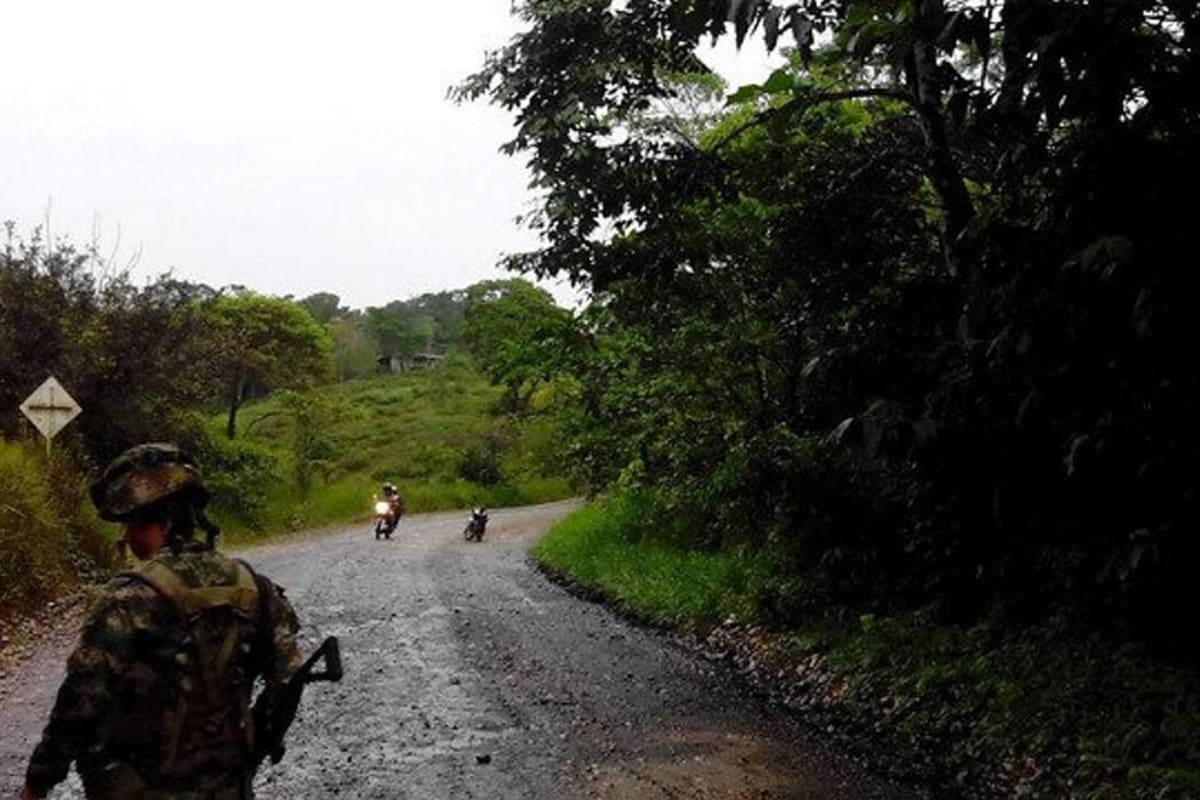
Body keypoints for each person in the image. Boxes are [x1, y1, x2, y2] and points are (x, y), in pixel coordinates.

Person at [20, 443, 302, 800]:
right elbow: (288, 678)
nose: (126, 537)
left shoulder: (128, 598)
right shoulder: (254, 587)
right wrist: (255, 746)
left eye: (132, 525)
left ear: (163, 522)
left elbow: (81, 702)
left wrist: (38, 782)